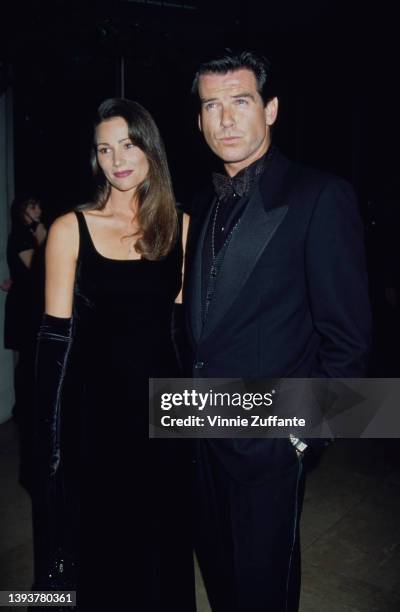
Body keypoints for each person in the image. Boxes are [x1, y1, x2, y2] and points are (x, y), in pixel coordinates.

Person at [183, 50, 371, 611]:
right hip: (198, 431)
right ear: (199, 120)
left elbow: (350, 339)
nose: (226, 119)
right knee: (220, 579)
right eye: (211, 106)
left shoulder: (320, 196)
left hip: (269, 436)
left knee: (264, 589)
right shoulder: (201, 200)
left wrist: (303, 439)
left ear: (271, 109)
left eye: (240, 101)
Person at [32, 98, 195, 611]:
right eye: (104, 148)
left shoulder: (181, 227)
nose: (116, 159)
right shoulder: (69, 229)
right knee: (101, 547)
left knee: (161, 542)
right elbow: (54, 344)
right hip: (95, 417)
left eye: (127, 144)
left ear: (151, 148)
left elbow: (181, 335)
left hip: (162, 414)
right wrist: (47, 442)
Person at [4, 195, 46, 493]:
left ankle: (25, 406)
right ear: (22, 212)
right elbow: (35, 269)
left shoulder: (27, 234)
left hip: (28, 304)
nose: (39, 211)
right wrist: (44, 242)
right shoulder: (20, 235)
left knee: (30, 356)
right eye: (33, 208)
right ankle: (23, 408)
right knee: (27, 356)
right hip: (24, 308)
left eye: (38, 206)